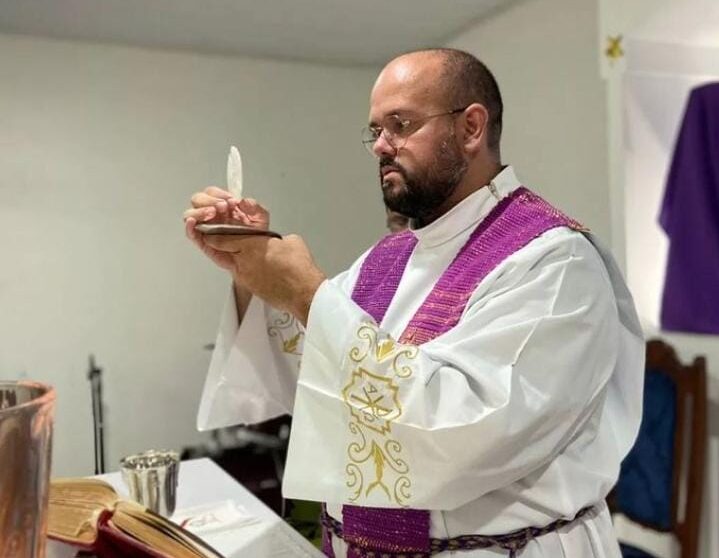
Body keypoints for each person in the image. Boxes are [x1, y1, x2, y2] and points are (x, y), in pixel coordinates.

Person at [183, 48, 644, 558]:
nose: (381, 145)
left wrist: (308, 294)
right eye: (375, 129)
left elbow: (462, 434)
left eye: (400, 124)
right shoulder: (388, 258)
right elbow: (316, 382)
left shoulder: (554, 263)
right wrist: (253, 272)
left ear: (471, 128)